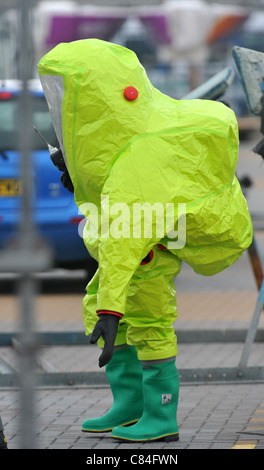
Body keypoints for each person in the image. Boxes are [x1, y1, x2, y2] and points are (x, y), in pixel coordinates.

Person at [38, 39, 252, 442]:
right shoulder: (119, 142)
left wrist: (110, 309)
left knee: (150, 325)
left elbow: (125, 234)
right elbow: (112, 208)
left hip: (147, 257)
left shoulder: (142, 154)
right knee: (105, 313)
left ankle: (160, 415)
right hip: (128, 255)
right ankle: (130, 404)